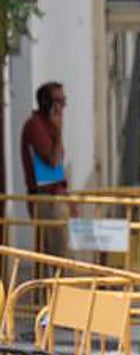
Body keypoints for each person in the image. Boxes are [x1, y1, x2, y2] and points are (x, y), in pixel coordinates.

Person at [19, 82, 69, 254]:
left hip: (57, 195)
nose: (63, 107)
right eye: (59, 101)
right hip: (46, 199)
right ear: (50, 104)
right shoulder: (35, 126)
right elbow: (53, 161)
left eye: (64, 101)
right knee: (57, 252)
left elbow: (59, 167)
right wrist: (59, 131)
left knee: (63, 250)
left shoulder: (49, 127)